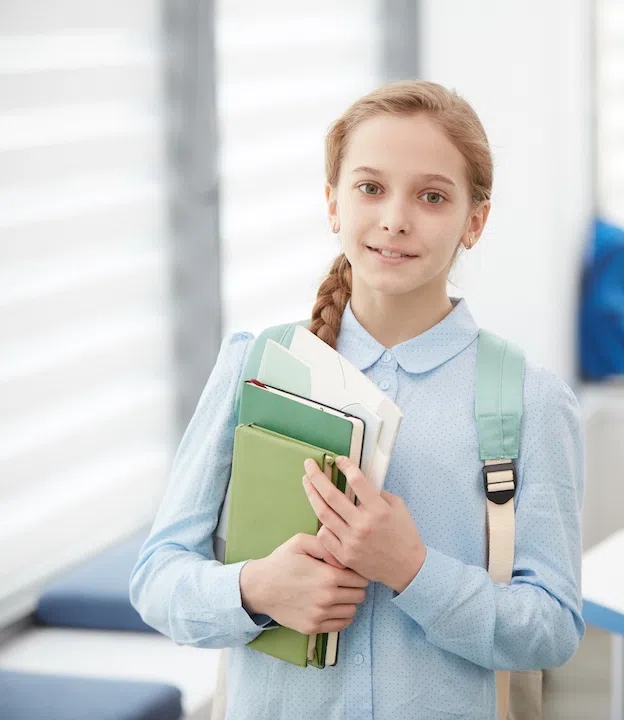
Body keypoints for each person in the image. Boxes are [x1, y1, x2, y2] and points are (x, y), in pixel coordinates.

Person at [130, 81, 585, 719]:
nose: (395, 218)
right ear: (333, 203)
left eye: (431, 196)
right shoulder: (256, 366)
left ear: (474, 221)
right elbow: (157, 579)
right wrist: (256, 588)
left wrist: (412, 570)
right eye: (371, 187)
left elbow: (552, 628)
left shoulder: (530, 400)